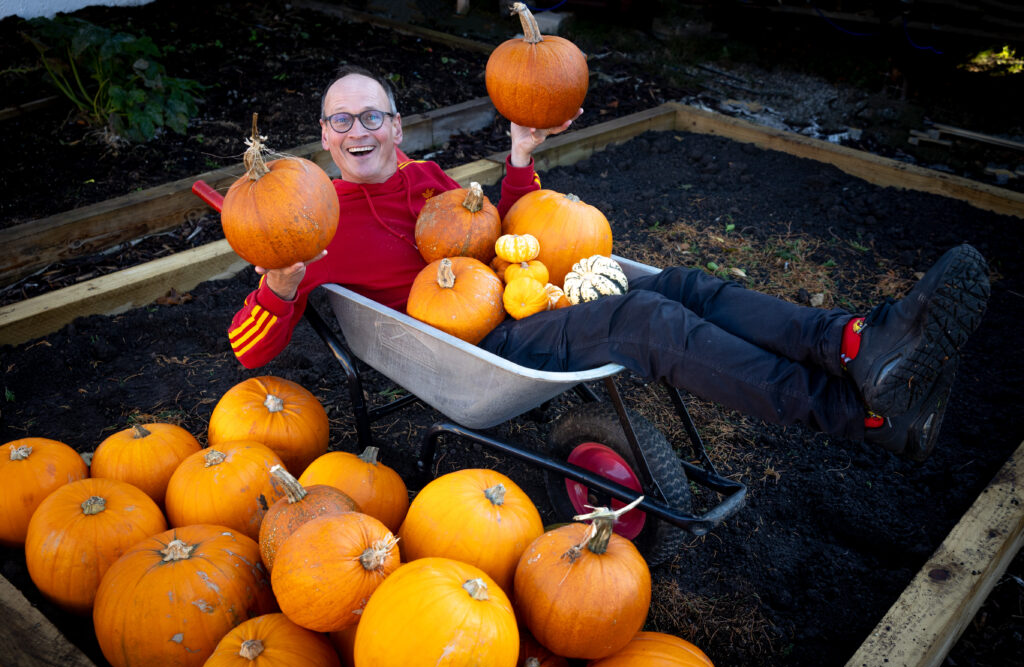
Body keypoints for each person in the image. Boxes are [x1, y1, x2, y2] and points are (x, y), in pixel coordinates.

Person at [228, 65, 990, 462]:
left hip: (523, 302)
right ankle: (864, 414)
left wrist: (520, 162)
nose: (357, 129)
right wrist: (279, 283)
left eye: (372, 115)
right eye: (341, 119)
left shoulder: (427, 181)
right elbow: (247, 349)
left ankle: (856, 344)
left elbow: (499, 233)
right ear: (324, 138)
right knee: (648, 318)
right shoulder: (307, 225)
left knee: (683, 284)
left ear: (395, 127)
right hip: (470, 346)